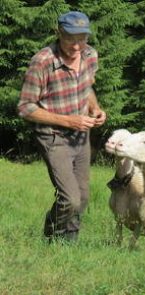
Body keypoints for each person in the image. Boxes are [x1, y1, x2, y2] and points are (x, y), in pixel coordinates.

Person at [17, 11, 106, 243]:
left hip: (81, 136)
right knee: (70, 199)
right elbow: (25, 108)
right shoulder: (43, 61)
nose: (77, 46)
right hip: (54, 137)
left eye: (82, 39)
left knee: (84, 197)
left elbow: (86, 89)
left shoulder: (90, 55)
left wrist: (95, 110)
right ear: (59, 34)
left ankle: (69, 243)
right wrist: (69, 121)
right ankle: (52, 235)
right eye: (70, 39)